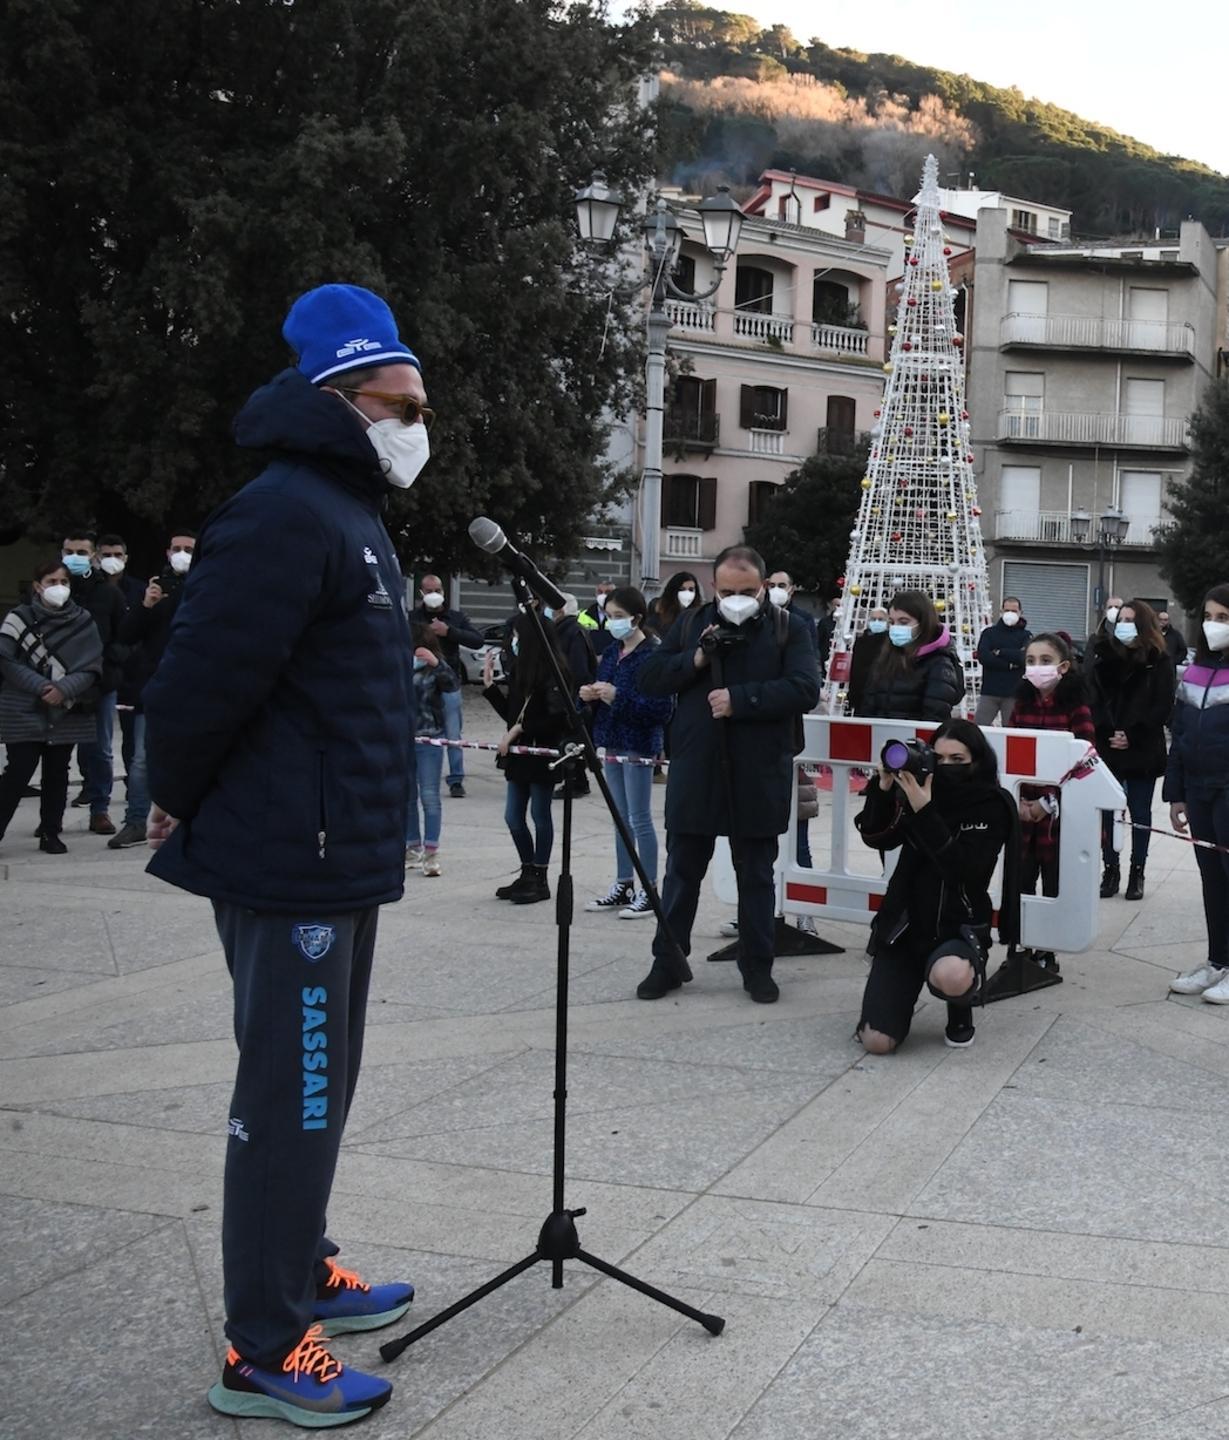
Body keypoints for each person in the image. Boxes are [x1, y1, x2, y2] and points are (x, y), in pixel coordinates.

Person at [144, 283, 425, 1427]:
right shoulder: (282, 513)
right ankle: (261, 1346)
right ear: (338, 399)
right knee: (291, 1093)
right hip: (289, 857)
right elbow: (203, 677)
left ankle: (302, 1268)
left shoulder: (348, 511)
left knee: (324, 1086)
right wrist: (171, 794)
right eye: (394, 401)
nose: (414, 420)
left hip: (339, 848)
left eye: (417, 400)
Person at [636, 545, 820, 1004]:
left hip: (758, 770)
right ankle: (669, 961)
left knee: (756, 875)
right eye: (728, 591)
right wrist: (694, 661)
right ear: (714, 587)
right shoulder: (693, 623)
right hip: (696, 767)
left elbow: (804, 688)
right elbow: (652, 677)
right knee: (681, 871)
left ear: (763, 588)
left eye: (748, 591)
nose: (738, 599)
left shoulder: (788, 628)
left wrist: (743, 699)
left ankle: (757, 966)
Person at [854, 719, 1019, 1052]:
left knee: (952, 976)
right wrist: (883, 792)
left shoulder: (991, 804)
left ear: (978, 760)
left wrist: (925, 811)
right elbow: (876, 838)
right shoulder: (916, 790)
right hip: (905, 925)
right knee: (876, 1042)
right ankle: (902, 982)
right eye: (939, 759)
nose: (946, 768)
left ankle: (960, 1010)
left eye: (957, 760)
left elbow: (965, 871)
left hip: (957, 925)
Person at [580, 586, 672, 918]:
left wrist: (617, 696)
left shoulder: (652, 655)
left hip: (639, 743)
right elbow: (602, 690)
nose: (613, 623)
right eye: (610, 616)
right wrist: (590, 695)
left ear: (637, 618)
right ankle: (623, 882)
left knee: (639, 818)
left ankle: (649, 888)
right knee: (620, 819)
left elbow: (660, 709)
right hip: (612, 741)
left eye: (619, 617)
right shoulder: (613, 651)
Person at [0, 559, 103, 853]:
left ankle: (50, 833)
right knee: (18, 772)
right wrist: (42, 687)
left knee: (58, 773)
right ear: (37, 586)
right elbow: (6, 661)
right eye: (51, 582)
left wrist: (64, 689)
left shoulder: (83, 621)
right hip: (24, 708)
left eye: (64, 582)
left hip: (66, 710)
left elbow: (93, 665)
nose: (58, 588)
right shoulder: (18, 619)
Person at [1007, 632, 1096, 970]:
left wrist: (1047, 803)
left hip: (1060, 815)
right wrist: (1017, 799)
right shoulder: (1021, 706)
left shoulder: (1077, 708)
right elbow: (1009, 754)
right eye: (1031, 661)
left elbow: (1083, 760)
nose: (1037, 668)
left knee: (1054, 882)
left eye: (1045, 661)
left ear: (1063, 666)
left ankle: (1049, 949)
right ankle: (1024, 944)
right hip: (1023, 809)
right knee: (1021, 879)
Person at [108, 530, 197, 849]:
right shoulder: (152, 589)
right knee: (143, 759)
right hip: (157, 687)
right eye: (177, 548)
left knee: (192, 758)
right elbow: (127, 635)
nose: (182, 553)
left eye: (189, 549)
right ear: (167, 552)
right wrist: (147, 606)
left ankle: (184, 823)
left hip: (194, 689)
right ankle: (135, 821)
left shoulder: (205, 587)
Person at [483, 609, 574, 904]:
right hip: (520, 755)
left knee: (540, 814)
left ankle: (540, 876)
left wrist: (520, 729)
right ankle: (526, 871)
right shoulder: (522, 670)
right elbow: (511, 714)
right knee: (513, 816)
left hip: (541, 753)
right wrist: (490, 688)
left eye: (518, 636)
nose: (513, 641)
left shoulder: (555, 673)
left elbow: (558, 718)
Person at [1165, 584, 1229, 1002]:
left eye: (1223, 618)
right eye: (1208, 617)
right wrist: (1176, 795)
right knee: (1212, 879)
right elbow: (1180, 734)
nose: (1213, 625)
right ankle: (1218, 961)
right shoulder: (1192, 673)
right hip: (1198, 789)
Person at [1086, 598, 1173, 900]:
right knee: (1109, 811)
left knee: (1139, 812)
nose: (1123, 625)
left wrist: (1133, 736)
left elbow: (1163, 703)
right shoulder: (1102, 655)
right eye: (1120, 619)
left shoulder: (1158, 659)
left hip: (1142, 747)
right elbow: (1092, 698)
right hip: (1108, 745)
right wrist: (1107, 731)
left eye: (1130, 620)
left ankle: (1138, 871)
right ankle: (1111, 869)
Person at [62, 529, 127, 836]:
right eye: (70, 552)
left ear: (94, 556)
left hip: (100, 683)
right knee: (57, 750)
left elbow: (123, 637)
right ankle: (52, 815)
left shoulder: (109, 593)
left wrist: (105, 665)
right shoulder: (56, 590)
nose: (76, 558)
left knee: (100, 748)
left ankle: (100, 809)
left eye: (82, 553)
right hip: (60, 684)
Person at [408, 575, 482, 798]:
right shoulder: (413, 618)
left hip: (448, 683)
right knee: (416, 730)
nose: (433, 594)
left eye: (437, 590)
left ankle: (456, 779)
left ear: (443, 592)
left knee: (452, 731)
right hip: (419, 684)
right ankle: (412, 774)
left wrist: (449, 631)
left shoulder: (455, 617)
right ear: (421, 593)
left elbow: (476, 640)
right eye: (428, 590)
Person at [859, 591, 962, 721]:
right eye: (892, 622)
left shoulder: (940, 662)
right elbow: (868, 702)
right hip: (878, 735)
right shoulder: (887, 655)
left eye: (903, 622)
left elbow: (934, 715)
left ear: (923, 623)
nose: (896, 628)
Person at [406, 625, 458, 877]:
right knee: (406, 796)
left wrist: (436, 663)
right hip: (402, 739)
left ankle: (431, 852)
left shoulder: (436, 668)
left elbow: (452, 685)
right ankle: (412, 846)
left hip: (430, 739)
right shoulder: (398, 664)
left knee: (429, 796)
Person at [974, 596, 1030, 725]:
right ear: (1001, 612)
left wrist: (1000, 652)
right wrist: (1010, 665)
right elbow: (984, 657)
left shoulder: (1025, 635)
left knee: (1012, 733)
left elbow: (1024, 657)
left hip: (1014, 694)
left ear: (1021, 613)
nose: (1010, 614)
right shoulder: (989, 633)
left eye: (1014, 611)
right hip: (989, 691)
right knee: (978, 729)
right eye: (1007, 610)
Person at [847, 606, 889, 716]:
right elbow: (854, 669)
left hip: (881, 695)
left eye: (881, 619)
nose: (876, 622)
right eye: (873, 619)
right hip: (860, 693)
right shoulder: (861, 641)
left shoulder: (890, 643)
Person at [96, 533, 147, 610]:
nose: (112, 559)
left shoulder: (140, 589)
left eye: (117, 555)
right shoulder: (90, 587)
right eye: (107, 555)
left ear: (125, 558)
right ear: (98, 558)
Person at [645, 571, 701, 639]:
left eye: (691, 590)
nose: (687, 593)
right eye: (682, 589)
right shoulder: (658, 620)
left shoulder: (700, 618)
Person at [578, 579, 616, 654]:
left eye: (608, 592)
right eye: (600, 592)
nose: (603, 595)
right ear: (595, 594)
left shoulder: (620, 616)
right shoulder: (583, 615)